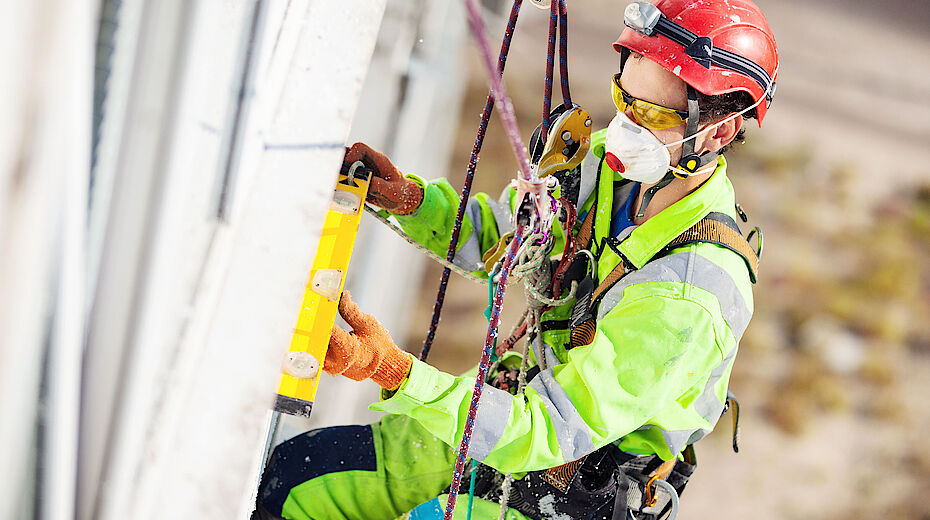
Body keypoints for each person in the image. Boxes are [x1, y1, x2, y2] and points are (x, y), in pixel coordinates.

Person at [254, 0, 778, 518]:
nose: (624, 126)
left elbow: (548, 428)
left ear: (718, 131)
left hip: (578, 479)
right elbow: (510, 239)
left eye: (649, 113)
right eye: (624, 97)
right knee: (296, 479)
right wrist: (412, 203)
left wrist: (396, 372)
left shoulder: (687, 296)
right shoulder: (609, 169)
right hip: (518, 416)